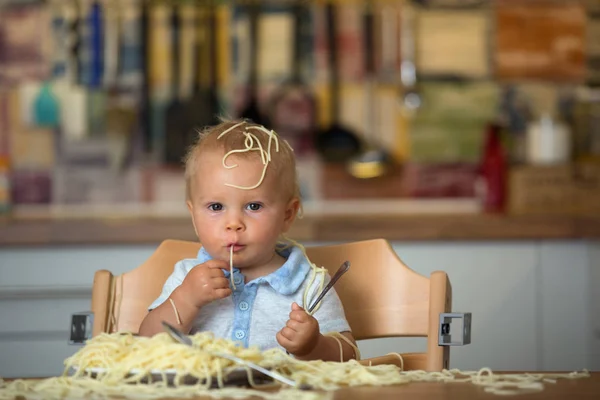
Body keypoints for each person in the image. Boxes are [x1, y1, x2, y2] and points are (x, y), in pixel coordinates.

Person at [139, 119, 356, 362]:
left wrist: (314, 345)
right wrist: (186, 299)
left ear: (287, 214)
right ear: (193, 216)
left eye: (253, 206)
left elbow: (349, 355)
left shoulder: (310, 283)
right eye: (216, 206)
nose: (234, 223)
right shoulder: (187, 276)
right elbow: (145, 347)